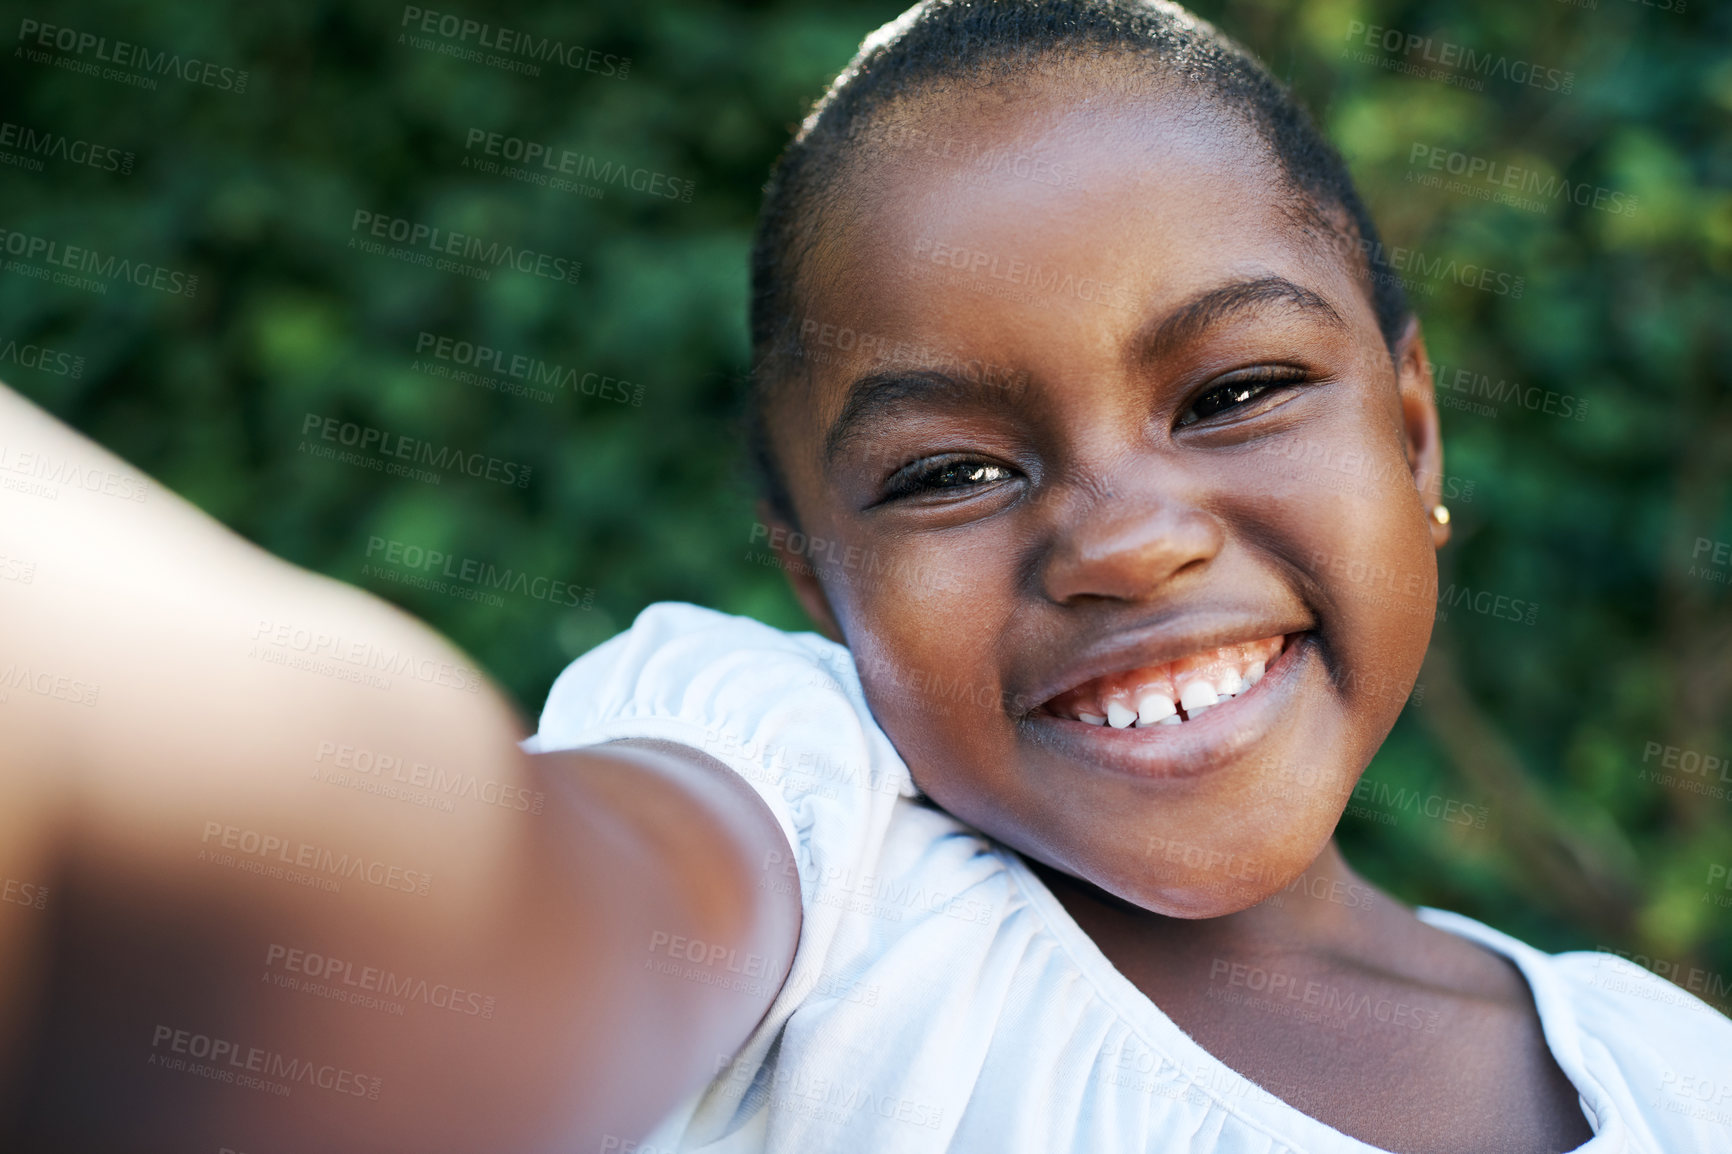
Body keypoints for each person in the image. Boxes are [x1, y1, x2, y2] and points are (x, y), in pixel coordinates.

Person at [1, 1, 1725, 1152]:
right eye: (949, 473)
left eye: (1237, 392)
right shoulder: (820, 847)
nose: (1126, 538)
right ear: (818, 586)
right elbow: (478, 939)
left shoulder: (1671, 1078)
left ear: (1414, 439)